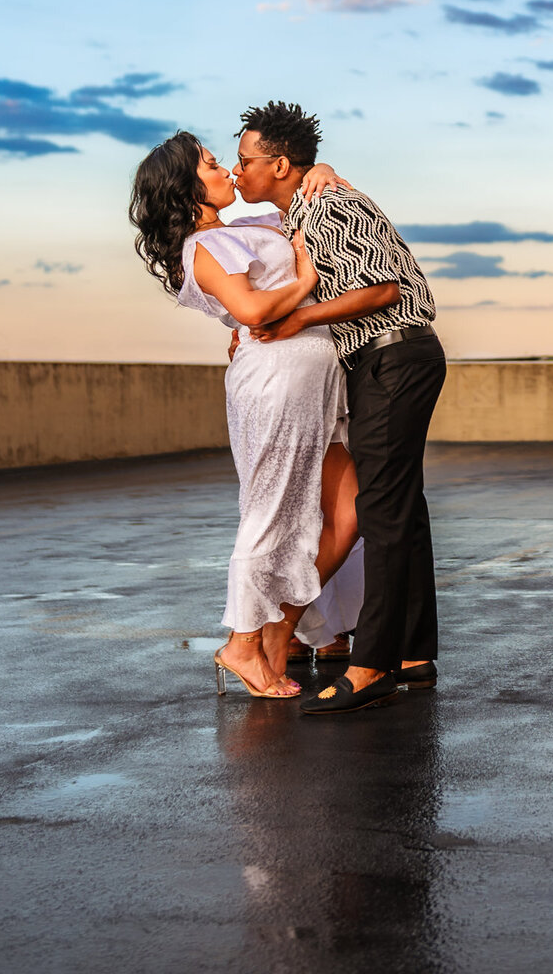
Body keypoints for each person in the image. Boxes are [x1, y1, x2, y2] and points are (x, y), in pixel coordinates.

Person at [128, 132, 363, 700]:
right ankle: (241, 641)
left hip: (318, 386)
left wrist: (321, 168)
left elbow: (304, 212)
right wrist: (306, 283)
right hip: (277, 384)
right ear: (187, 189)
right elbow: (253, 309)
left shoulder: (241, 230)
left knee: (351, 515)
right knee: (270, 514)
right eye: (212, 165)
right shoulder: (202, 248)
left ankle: (280, 626)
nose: (228, 172)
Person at [233, 101, 447, 717]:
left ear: (279, 163)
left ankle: (372, 663)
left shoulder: (327, 206)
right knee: (401, 509)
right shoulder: (309, 208)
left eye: (246, 161)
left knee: (384, 511)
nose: (241, 172)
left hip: (392, 357)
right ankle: (411, 653)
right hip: (389, 361)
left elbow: (383, 289)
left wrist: (298, 315)